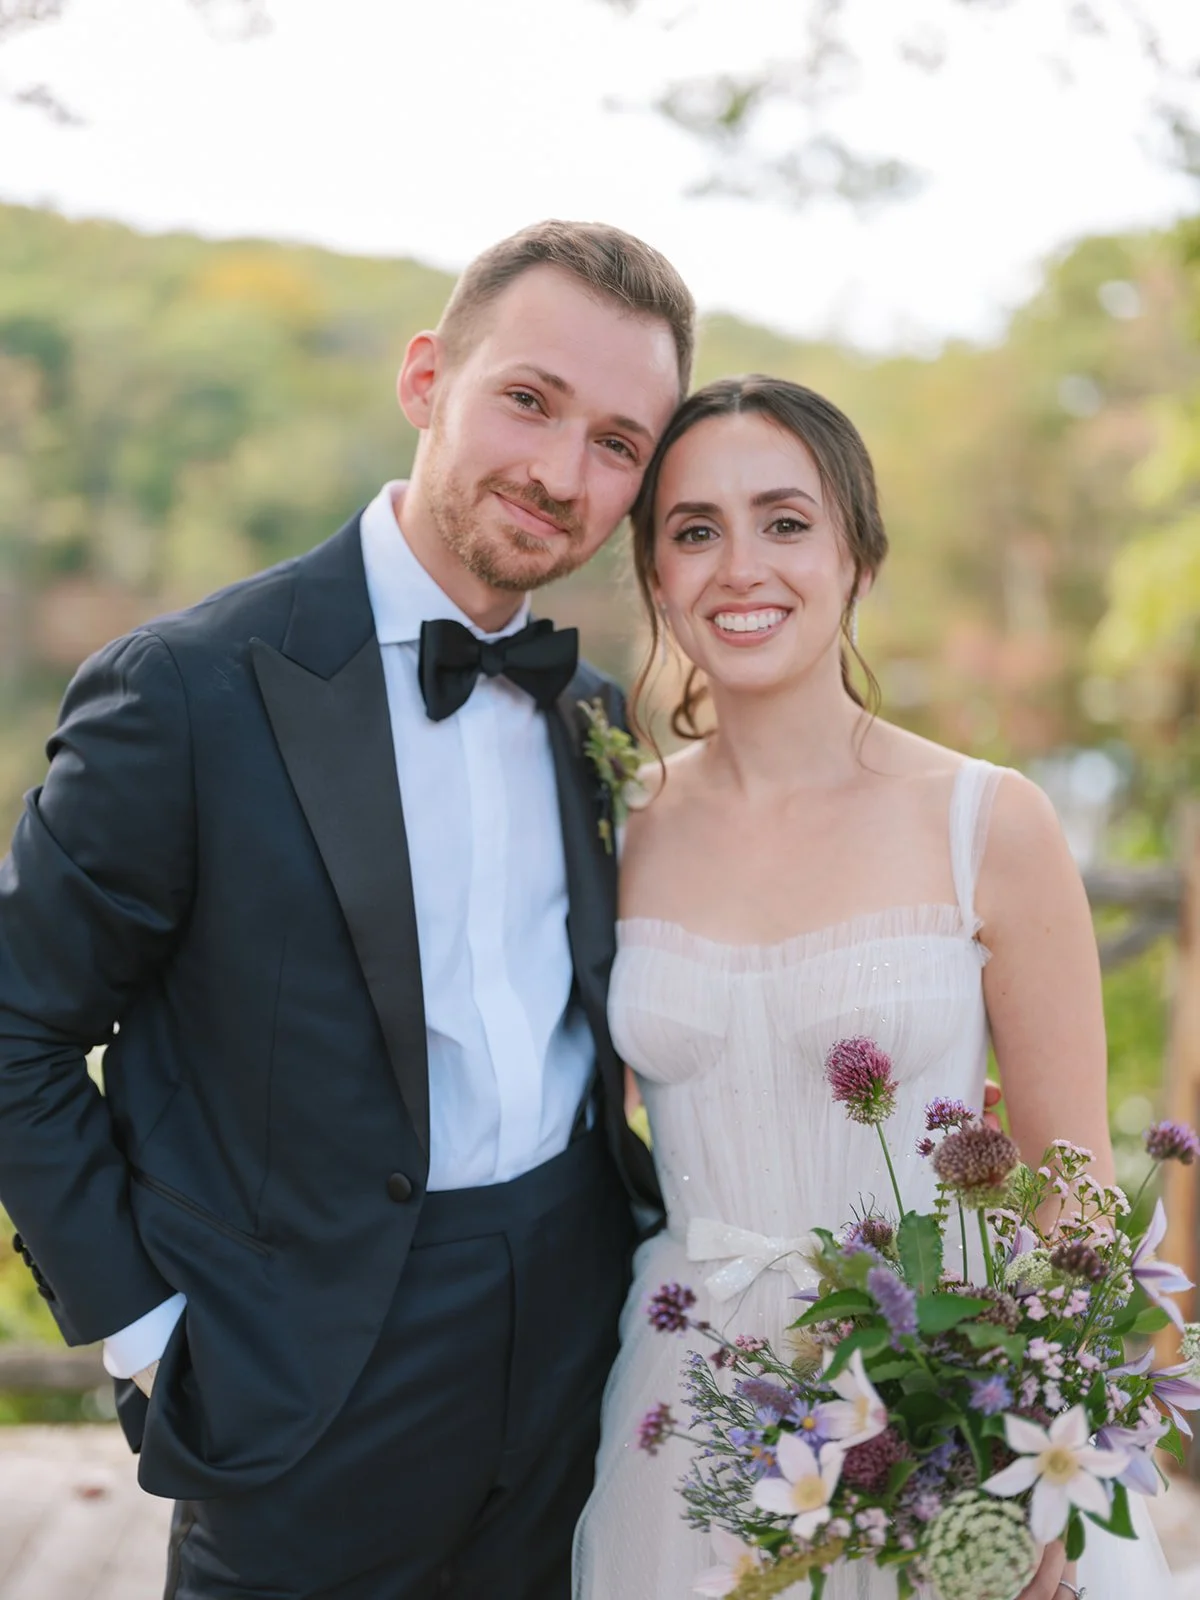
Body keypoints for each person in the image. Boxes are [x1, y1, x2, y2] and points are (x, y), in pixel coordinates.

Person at [0, 220, 693, 1599]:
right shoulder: (184, 693)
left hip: (576, 1353)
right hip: (297, 1379)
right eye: (529, 400)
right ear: (427, 377)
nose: (561, 473)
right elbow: (15, 1030)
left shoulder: (595, 715)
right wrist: (144, 1332)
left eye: (618, 443)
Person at [572, 375, 1172, 1599]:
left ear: (857, 552)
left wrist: (1057, 1463)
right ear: (655, 572)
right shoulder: (620, 824)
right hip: (691, 1406)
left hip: (942, 1398)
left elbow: (1078, 1193)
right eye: (696, 530)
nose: (741, 566)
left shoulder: (987, 820)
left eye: (785, 521)